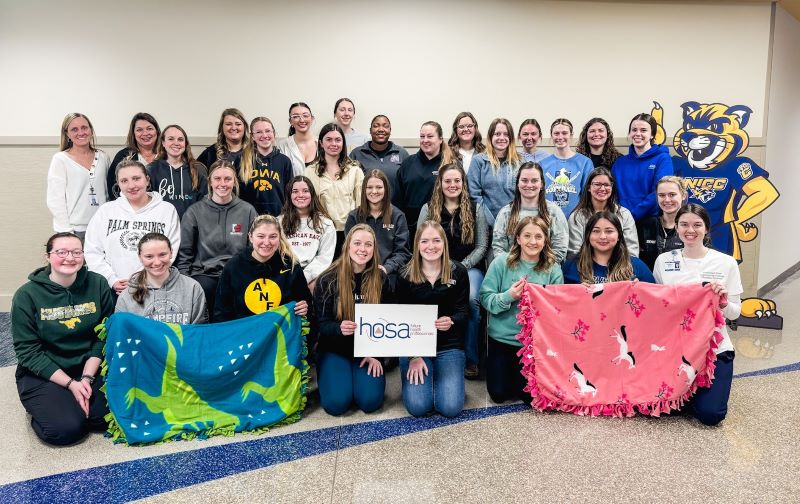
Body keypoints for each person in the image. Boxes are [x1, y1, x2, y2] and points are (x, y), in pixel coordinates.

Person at [12, 232, 114, 445]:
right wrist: (70, 384)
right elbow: (28, 351)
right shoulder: (26, 295)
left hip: (88, 366)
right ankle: (48, 407)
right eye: (61, 252)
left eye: (77, 252)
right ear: (48, 256)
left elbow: (103, 336)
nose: (70, 257)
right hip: (46, 371)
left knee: (102, 419)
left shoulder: (97, 284)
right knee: (66, 431)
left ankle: (72, 401)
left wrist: (86, 379)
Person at [653, 204, 741, 426]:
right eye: (684, 224)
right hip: (677, 348)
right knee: (663, 409)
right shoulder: (664, 261)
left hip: (714, 348)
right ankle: (688, 390)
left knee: (711, 415)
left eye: (696, 225)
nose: (690, 230)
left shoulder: (726, 262)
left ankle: (698, 392)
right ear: (677, 227)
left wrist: (722, 302)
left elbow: (736, 312)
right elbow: (657, 305)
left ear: (706, 229)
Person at [480, 216, 563, 403]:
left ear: (545, 240)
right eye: (527, 236)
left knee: (527, 396)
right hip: (501, 339)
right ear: (517, 238)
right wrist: (508, 296)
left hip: (533, 345)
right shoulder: (501, 262)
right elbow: (485, 299)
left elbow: (558, 310)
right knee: (499, 394)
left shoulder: (553, 269)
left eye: (538, 237)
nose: (532, 242)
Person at [418, 163, 488, 378]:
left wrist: (459, 268)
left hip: (468, 269)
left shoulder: (476, 208)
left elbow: (482, 246)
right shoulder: (428, 209)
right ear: (440, 184)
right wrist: (441, 269)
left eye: (457, 180)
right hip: (434, 268)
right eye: (447, 181)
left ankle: (471, 359)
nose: (452, 185)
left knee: (472, 300)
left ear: (463, 184)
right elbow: (419, 243)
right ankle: (427, 351)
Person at [313, 224, 390, 415]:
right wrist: (339, 329)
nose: (362, 249)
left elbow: (389, 321)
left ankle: (356, 379)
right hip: (335, 348)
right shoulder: (328, 279)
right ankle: (336, 375)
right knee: (336, 404)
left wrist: (375, 353)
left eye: (368, 245)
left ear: (374, 249)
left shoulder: (380, 278)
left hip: (367, 351)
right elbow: (321, 325)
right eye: (357, 243)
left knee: (370, 402)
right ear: (347, 246)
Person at [396, 221, 469, 418]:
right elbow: (399, 321)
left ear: (444, 243)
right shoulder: (404, 275)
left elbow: (463, 312)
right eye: (425, 241)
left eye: (436, 240)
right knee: (418, 407)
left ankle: (447, 378)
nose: (431, 246)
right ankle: (425, 378)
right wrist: (413, 356)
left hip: (449, 345)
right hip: (417, 348)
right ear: (417, 245)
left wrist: (451, 320)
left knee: (450, 408)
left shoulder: (458, 272)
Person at [85, 160, 180, 295]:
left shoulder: (167, 210)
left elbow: (171, 249)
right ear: (118, 184)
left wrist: (145, 279)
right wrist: (111, 279)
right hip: (114, 288)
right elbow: (92, 250)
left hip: (153, 286)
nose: (131, 185)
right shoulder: (106, 211)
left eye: (136, 178)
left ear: (147, 180)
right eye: (124, 181)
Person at [177, 160, 257, 319]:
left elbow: (253, 251)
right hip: (204, 275)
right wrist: (185, 284)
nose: (223, 183)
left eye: (227, 179)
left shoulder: (247, 210)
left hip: (237, 274)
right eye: (217, 179)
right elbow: (185, 253)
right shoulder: (194, 212)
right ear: (210, 182)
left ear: (234, 181)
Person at [214, 214, 311, 322]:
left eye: (273, 236)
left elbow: (306, 305)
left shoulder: (291, 266)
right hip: (245, 332)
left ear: (280, 237)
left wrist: (303, 308)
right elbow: (222, 311)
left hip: (278, 332)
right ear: (250, 237)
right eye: (261, 236)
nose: (266, 242)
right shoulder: (233, 266)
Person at [116, 232, 207, 323]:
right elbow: (120, 333)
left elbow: (199, 332)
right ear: (140, 257)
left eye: (162, 255)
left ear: (171, 253)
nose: (157, 262)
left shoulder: (193, 288)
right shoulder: (127, 295)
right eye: (149, 256)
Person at [344, 169, 411, 289]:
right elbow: (348, 249)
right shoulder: (354, 217)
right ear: (364, 190)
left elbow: (403, 252)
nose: (374, 191)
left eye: (379, 187)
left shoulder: (397, 216)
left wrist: (387, 268)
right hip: (358, 274)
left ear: (386, 189)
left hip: (388, 275)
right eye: (369, 187)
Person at [304, 123, 364, 255]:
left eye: (338, 140)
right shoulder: (309, 172)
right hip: (320, 233)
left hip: (349, 232)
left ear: (343, 143)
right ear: (321, 143)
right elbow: (306, 206)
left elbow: (361, 206)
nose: (334, 144)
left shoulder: (355, 171)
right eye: (329, 139)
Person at [47, 113, 110, 238]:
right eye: (74, 129)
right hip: (75, 230)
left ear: (91, 130)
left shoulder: (103, 157)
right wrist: (66, 232)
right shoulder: (60, 160)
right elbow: (55, 200)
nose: (81, 133)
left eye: (84, 128)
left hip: (102, 227)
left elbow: (108, 194)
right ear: (67, 134)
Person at [493, 162, 568, 263]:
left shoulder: (554, 212)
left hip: (545, 270)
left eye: (534, 181)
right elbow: (499, 248)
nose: (529, 185)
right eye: (524, 180)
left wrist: (540, 268)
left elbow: (560, 248)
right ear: (518, 183)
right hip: (512, 271)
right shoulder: (506, 213)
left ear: (541, 184)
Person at [396, 121, 454, 240]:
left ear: (440, 139)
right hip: (409, 229)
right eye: (422, 136)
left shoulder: (450, 165)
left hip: (441, 228)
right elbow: (397, 200)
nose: (425, 140)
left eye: (430, 136)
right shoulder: (407, 164)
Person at [612, 112, 674, 222]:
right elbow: (613, 194)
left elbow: (659, 192)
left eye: (643, 130)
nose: (638, 133)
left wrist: (632, 215)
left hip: (650, 221)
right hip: (621, 221)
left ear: (652, 135)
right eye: (634, 130)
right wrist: (620, 216)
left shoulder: (662, 159)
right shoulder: (619, 163)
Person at [562, 211, 654, 284]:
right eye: (596, 231)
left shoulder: (636, 266)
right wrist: (577, 294)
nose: (602, 236)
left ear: (619, 236)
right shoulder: (571, 267)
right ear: (588, 235)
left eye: (609, 231)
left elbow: (654, 301)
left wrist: (639, 291)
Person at [279, 176, 336, 292]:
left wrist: (305, 277)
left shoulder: (326, 224)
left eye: (305, 191)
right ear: (289, 196)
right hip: (284, 275)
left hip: (313, 278)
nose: (300, 195)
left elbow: (324, 258)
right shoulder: (278, 222)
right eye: (295, 191)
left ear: (312, 194)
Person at [567, 167, 638, 256]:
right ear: (589, 187)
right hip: (585, 267)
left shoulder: (624, 214)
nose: (602, 188)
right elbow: (574, 252)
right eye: (597, 184)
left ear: (612, 187)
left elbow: (631, 251)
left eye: (606, 185)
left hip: (619, 267)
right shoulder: (577, 217)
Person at [467, 118, 523, 229]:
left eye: (506, 134)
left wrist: (514, 220)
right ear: (490, 137)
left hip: (515, 223)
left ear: (511, 138)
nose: (501, 138)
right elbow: (474, 196)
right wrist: (493, 223)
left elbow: (524, 195)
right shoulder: (479, 161)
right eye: (497, 134)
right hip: (485, 225)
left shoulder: (520, 162)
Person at [147, 124, 208, 219]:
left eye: (180, 139)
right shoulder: (151, 170)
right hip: (162, 227)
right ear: (163, 142)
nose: (176, 143)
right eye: (171, 139)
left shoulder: (199, 169)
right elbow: (147, 204)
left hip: (192, 228)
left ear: (185, 143)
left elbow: (205, 204)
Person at [238, 116, 294, 217]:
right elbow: (238, 194)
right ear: (252, 136)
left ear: (273, 133)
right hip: (249, 218)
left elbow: (290, 194)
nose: (264, 135)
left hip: (278, 218)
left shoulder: (284, 161)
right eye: (259, 132)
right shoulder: (242, 161)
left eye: (268, 131)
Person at [540, 118, 594, 218]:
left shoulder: (585, 163)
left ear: (571, 135)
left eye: (564, 133)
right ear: (551, 136)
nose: (560, 137)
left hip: (576, 221)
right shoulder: (543, 164)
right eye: (556, 133)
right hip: (549, 219)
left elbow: (588, 197)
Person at [349, 114, 409, 197]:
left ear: (390, 130)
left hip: (395, 208)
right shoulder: (357, 154)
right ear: (370, 130)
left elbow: (408, 186)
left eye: (385, 126)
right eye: (376, 126)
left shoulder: (402, 154)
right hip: (366, 208)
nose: (381, 129)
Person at [637, 176, 687, 269]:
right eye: (662, 195)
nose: (667, 200)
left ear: (683, 195)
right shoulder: (645, 225)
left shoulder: (692, 226)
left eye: (672, 194)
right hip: (649, 282)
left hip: (681, 282)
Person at [107, 112, 160, 200]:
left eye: (149, 128)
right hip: (130, 211)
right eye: (139, 130)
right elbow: (113, 188)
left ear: (157, 131)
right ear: (133, 134)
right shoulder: (122, 156)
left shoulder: (167, 156)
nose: (145, 133)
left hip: (161, 210)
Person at [277, 102, 318, 177]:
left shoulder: (322, 143)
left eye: (305, 115)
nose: (302, 120)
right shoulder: (282, 146)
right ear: (290, 121)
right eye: (296, 116)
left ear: (312, 119)